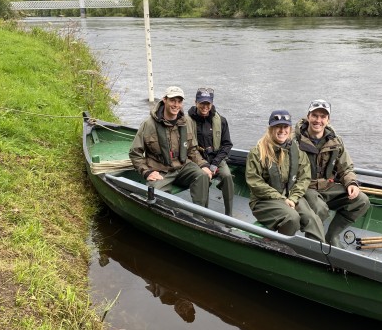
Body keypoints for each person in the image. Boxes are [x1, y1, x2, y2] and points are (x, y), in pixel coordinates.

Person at [295, 99, 370, 247]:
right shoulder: (294, 140)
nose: (318, 120)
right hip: (304, 188)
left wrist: (351, 183)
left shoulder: (335, 141)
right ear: (308, 116)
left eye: (323, 117)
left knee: (361, 201)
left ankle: (332, 235)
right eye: (315, 115)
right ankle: (313, 243)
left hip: (327, 187)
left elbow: (346, 167)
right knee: (319, 208)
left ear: (328, 120)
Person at [245, 110, 326, 241]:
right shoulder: (257, 152)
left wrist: (293, 198)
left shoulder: (297, 151)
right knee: (292, 218)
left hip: (290, 196)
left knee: (311, 218)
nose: (282, 130)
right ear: (271, 128)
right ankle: (277, 246)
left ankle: (318, 251)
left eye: (285, 127)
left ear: (290, 129)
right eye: (278, 126)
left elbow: (304, 177)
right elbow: (255, 183)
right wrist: (281, 199)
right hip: (264, 200)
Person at [129, 86, 213, 207]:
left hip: (183, 166)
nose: (176, 105)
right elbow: (135, 153)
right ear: (164, 100)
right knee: (155, 193)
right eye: (173, 100)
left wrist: (203, 165)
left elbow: (192, 150)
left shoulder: (187, 122)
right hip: (161, 170)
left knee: (203, 176)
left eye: (179, 101)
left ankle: (201, 216)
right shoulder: (148, 124)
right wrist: (147, 172)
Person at [188, 87, 234, 216]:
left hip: (216, 157)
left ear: (211, 104)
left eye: (207, 103)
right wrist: (205, 166)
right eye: (202, 103)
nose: (205, 106)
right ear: (196, 102)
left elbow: (227, 144)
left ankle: (229, 214)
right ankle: (204, 214)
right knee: (204, 178)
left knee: (227, 176)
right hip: (196, 159)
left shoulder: (221, 120)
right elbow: (187, 147)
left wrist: (215, 163)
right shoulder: (188, 121)